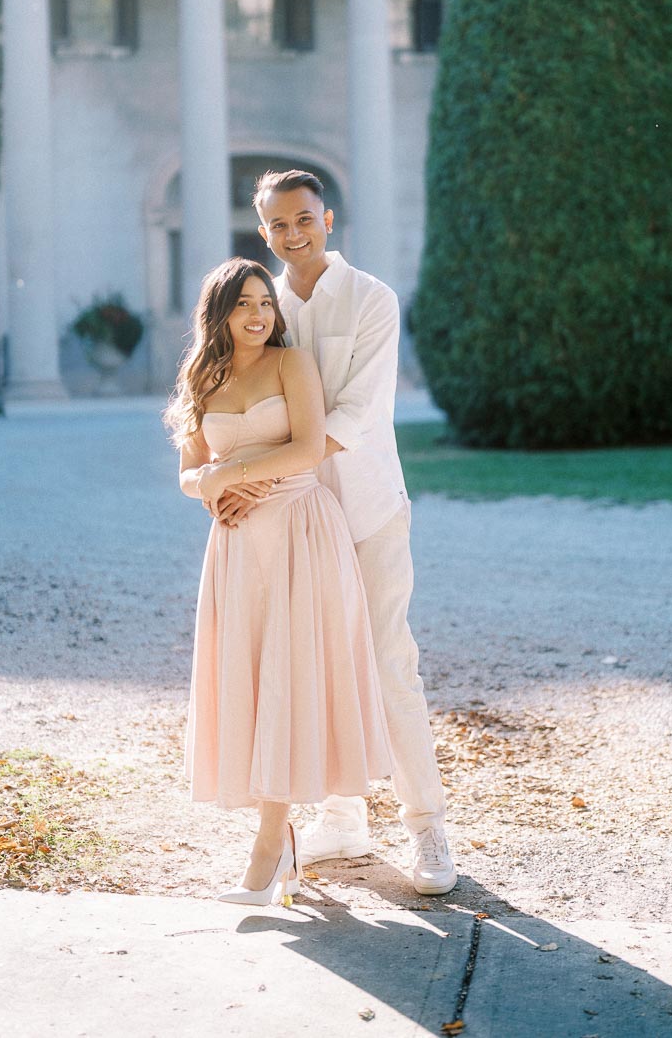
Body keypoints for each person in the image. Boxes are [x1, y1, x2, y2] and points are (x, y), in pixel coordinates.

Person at [215, 169, 456, 895]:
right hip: (291, 522)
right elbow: (237, 400)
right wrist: (229, 482)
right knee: (312, 667)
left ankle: (427, 825)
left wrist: (253, 475)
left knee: (387, 662)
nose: (293, 234)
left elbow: (358, 411)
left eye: (304, 219)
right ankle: (343, 817)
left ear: (327, 219)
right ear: (264, 233)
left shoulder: (373, 298)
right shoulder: (264, 304)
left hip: (367, 509)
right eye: (278, 225)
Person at [164, 257, 392, 907]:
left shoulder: (293, 365)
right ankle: (279, 845)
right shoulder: (202, 378)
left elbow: (309, 448)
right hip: (236, 543)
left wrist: (233, 475)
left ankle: (268, 852)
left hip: (299, 529)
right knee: (252, 679)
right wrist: (214, 488)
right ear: (219, 313)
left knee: (289, 677)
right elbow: (189, 472)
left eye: (266, 302)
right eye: (243, 303)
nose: (259, 314)